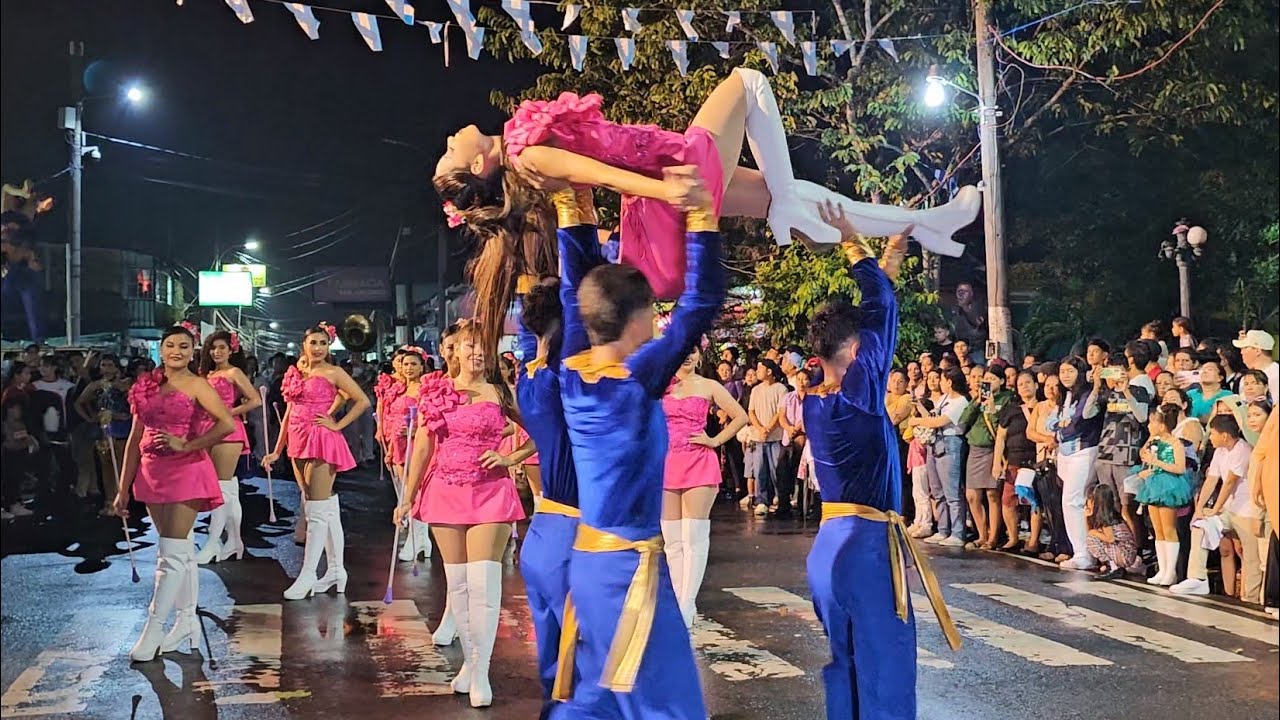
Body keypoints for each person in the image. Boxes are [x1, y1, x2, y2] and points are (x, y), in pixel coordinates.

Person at [433, 67, 979, 356]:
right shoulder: (527, 154)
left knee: (792, 193)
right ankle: (797, 210)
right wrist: (665, 191)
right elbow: (599, 175)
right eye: (451, 150)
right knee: (748, 82)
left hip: (659, 183)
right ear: (478, 164)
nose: (451, 136)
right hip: (668, 172)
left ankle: (928, 224)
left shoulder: (522, 146)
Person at [550, 191, 724, 718]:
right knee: (670, 705)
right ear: (636, 320)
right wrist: (702, 214)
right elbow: (700, 306)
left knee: (601, 703)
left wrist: (572, 204)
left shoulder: (572, 369)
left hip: (589, 562)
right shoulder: (635, 377)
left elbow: (574, 290)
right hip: (629, 570)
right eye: (652, 312)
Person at [804, 206, 958, 719]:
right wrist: (851, 238)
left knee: (846, 666)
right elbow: (882, 309)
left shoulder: (815, 398)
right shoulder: (860, 397)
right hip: (865, 547)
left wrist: (890, 256)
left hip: (830, 545)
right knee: (885, 668)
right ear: (855, 349)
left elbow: (874, 316)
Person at [394, 320, 530, 709]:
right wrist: (406, 498)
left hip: (491, 492)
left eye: (483, 345)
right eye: (470, 345)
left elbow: (539, 433)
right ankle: (470, 663)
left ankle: (481, 671)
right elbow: (422, 448)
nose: (477, 352)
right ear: (455, 350)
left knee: (484, 585)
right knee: (459, 588)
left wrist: (510, 458)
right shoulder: (437, 392)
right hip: (445, 491)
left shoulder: (501, 392)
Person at [514, 188, 592, 713]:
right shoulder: (564, 382)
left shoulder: (528, 375)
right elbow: (569, 313)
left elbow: (537, 327)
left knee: (553, 663)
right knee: (578, 664)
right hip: (570, 536)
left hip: (543, 532)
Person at [113, 325, 234, 661]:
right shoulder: (146, 385)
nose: (176, 351)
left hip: (187, 470)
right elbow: (135, 439)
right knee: (176, 553)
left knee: (171, 552)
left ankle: (153, 629)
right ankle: (186, 622)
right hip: (151, 472)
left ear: (193, 351)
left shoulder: (198, 384)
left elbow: (226, 423)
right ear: (161, 349)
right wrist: (122, 488)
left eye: (183, 346)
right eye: (170, 345)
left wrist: (189, 445)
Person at [264, 324, 371, 600]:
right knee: (322, 507)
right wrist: (277, 450)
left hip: (322, 438)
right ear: (304, 344)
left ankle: (308, 574)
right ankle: (336, 570)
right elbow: (289, 412)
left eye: (323, 343)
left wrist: (337, 424)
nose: (318, 348)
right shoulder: (297, 372)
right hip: (297, 440)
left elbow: (362, 401)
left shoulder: (334, 372)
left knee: (316, 510)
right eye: (314, 342)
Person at [663, 345, 748, 627]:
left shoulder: (709, 385)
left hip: (698, 462)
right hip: (666, 463)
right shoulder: (660, 384)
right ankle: (677, 602)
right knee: (672, 541)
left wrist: (714, 441)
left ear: (700, 355)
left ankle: (687, 605)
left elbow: (741, 416)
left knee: (693, 537)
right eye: (683, 349)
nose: (688, 355)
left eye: (693, 351)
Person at [1171, 414, 1257, 599]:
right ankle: (1198, 578)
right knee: (1200, 525)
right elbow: (1211, 480)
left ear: (1224, 435)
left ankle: (1252, 598)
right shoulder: (1220, 451)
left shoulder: (1242, 450)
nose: (1209, 438)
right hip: (1228, 509)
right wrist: (1200, 509)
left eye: (1212, 434)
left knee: (1251, 557)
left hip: (1247, 511)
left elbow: (1230, 482)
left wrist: (1216, 508)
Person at [194, 331, 261, 564]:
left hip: (229, 432)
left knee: (220, 489)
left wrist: (229, 412)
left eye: (222, 347)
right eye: (213, 348)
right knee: (229, 491)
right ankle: (234, 542)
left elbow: (255, 400)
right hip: (206, 430)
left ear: (231, 350)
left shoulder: (234, 373)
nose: (216, 352)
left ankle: (213, 543)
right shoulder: (206, 374)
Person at [1051, 357, 1105, 570]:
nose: (1065, 375)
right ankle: (1082, 551)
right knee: (1073, 502)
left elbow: (1078, 423)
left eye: (1070, 371)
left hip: (1084, 450)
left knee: (1073, 501)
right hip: (1065, 453)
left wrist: (1061, 427)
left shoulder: (1087, 393)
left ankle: (1084, 553)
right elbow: (1051, 422)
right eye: (1062, 371)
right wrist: (1060, 425)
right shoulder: (1066, 396)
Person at [1132, 405, 1194, 586]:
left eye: (1152, 423)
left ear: (1161, 425)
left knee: (1169, 529)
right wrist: (1146, 469)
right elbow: (1143, 455)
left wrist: (1157, 462)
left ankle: (1171, 571)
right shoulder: (1154, 440)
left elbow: (1180, 468)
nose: (1149, 426)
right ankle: (1162, 569)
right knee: (1157, 530)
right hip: (1153, 485)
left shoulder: (1175, 443)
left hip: (1169, 486)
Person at [910, 366, 970, 547]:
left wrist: (917, 421)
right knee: (937, 490)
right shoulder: (944, 399)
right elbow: (932, 417)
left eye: (942, 380)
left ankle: (958, 532)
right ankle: (943, 529)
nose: (940, 383)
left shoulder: (961, 401)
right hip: (935, 442)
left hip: (951, 442)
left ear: (949, 382)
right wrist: (918, 407)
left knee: (952, 491)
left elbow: (940, 421)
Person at [385, 347, 433, 563]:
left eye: (414, 364)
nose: (409, 368)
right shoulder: (399, 389)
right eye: (405, 364)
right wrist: (389, 448)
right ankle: (422, 540)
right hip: (398, 446)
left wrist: (414, 432)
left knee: (416, 492)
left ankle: (417, 539)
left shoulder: (425, 390)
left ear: (422, 367)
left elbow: (431, 420)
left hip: (416, 445)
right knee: (405, 491)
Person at [958, 362, 1011, 549]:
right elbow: (963, 420)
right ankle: (982, 533)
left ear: (1001, 381)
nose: (987, 382)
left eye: (992, 379)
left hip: (992, 449)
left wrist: (993, 408)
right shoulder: (978, 397)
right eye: (985, 379)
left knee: (992, 494)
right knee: (972, 494)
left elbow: (1003, 425)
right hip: (975, 448)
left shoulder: (1007, 398)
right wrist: (977, 401)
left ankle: (993, 537)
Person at [993, 370, 1043, 554]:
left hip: (1036, 461)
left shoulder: (1043, 407)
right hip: (1014, 461)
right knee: (1008, 500)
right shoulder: (1011, 410)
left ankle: (1033, 541)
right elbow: (1000, 437)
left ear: (1036, 385)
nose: (1024, 386)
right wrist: (997, 462)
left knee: (1034, 501)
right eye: (1020, 384)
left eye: (1028, 382)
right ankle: (1013, 538)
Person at [747, 358, 789, 516]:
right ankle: (762, 500)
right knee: (759, 470)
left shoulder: (781, 389)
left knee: (776, 469)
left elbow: (780, 412)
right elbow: (751, 412)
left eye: (760, 369)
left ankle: (779, 498)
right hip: (758, 438)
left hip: (775, 436)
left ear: (769, 371)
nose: (757, 372)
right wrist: (760, 429)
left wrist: (769, 428)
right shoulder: (755, 390)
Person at [1084, 484, 1138, 580]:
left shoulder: (1107, 518)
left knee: (1092, 539)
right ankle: (1113, 565)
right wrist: (1087, 517)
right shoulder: (1108, 515)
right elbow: (1089, 531)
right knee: (1092, 537)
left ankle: (1113, 567)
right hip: (1123, 552)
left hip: (1125, 554)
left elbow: (1110, 538)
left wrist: (1094, 532)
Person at [1234, 330, 1278, 403]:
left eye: (1245, 348)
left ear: (1257, 351)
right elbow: (1241, 403)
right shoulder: (1245, 378)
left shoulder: (1276, 374)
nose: (1241, 352)